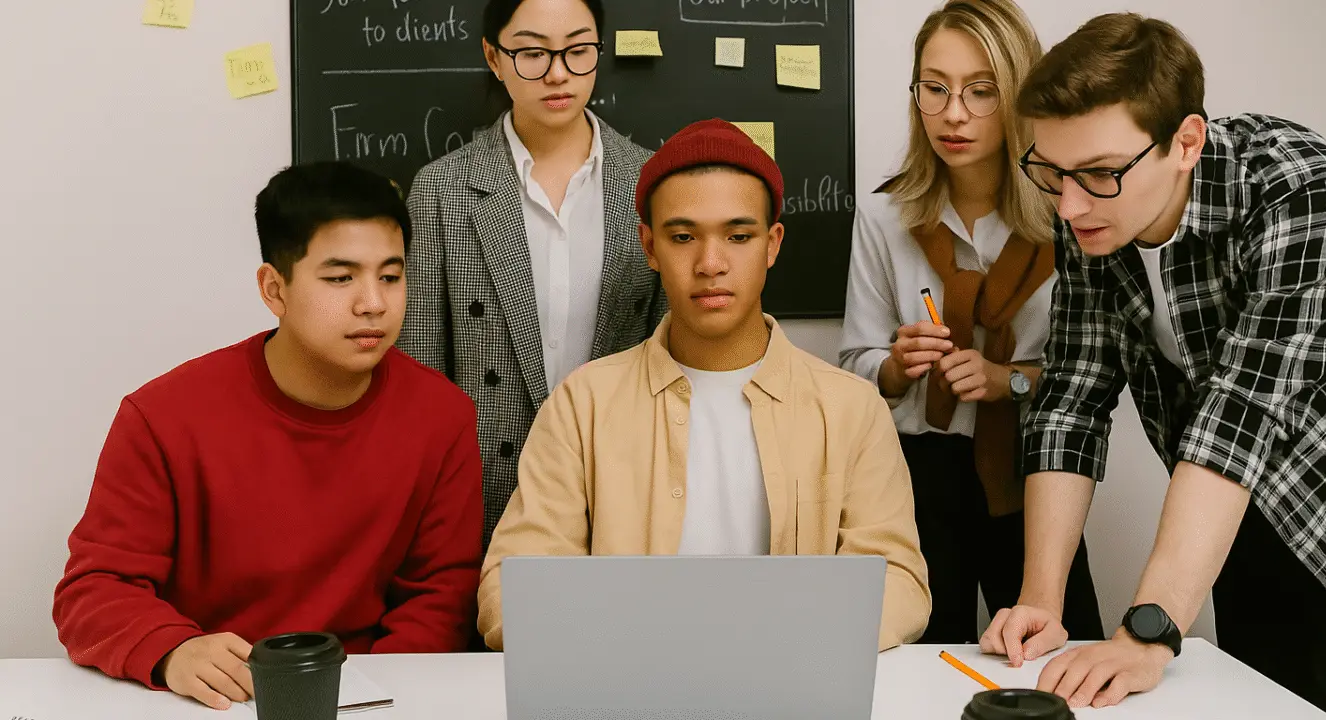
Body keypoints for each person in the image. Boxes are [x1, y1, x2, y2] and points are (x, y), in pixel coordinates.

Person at [978, 12, 1326, 720]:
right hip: (1242, 519)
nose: (1067, 205)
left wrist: (1149, 630)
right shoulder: (1091, 211)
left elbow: (1239, 414)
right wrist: (1041, 600)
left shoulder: (1307, 194)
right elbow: (1071, 400)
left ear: (1186, 142)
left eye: (1099, 173)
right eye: (1052, 172)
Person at [474, 119, 932, 652]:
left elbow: (898, 581)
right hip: (627, 694)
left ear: (772, 243)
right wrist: (632, 644)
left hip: (791, 689)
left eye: (738, 237)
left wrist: (780, 643)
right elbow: (509, 590)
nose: (710, 264)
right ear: (649, 246)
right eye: (683, 237)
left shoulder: (852, 408)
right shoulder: (584, 404)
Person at [52, 162, 487, 710]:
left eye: (391, 276)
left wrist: (379, 696)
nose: (373, 302)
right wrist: (174, 651)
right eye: (340, 277)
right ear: (273, 288)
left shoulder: (442, 417)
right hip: (215, 700)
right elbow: (94, 590)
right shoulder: (162, 417)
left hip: (369, 697)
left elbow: (439, 596)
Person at [838, 0, 1102, 646]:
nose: (953, 114)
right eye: (936, 89)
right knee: (918, 659)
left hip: (1032, 472)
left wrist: (1004, 381)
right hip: (918, 475)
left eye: (981, 92)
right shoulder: (885, 218)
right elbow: (853, 369)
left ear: (1017, 96)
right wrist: (897, 366)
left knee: (1055, 654)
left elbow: (1088, 382)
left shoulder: (1070, 217)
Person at [398, 0, 666, 550]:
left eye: (577, 50)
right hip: (487, 485)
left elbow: (668, 345)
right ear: (494, 58)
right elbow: (421, 365)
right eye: (532, 52)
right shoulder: (443, 188)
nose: (557, 72)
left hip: (624, 477)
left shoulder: (652, 182)